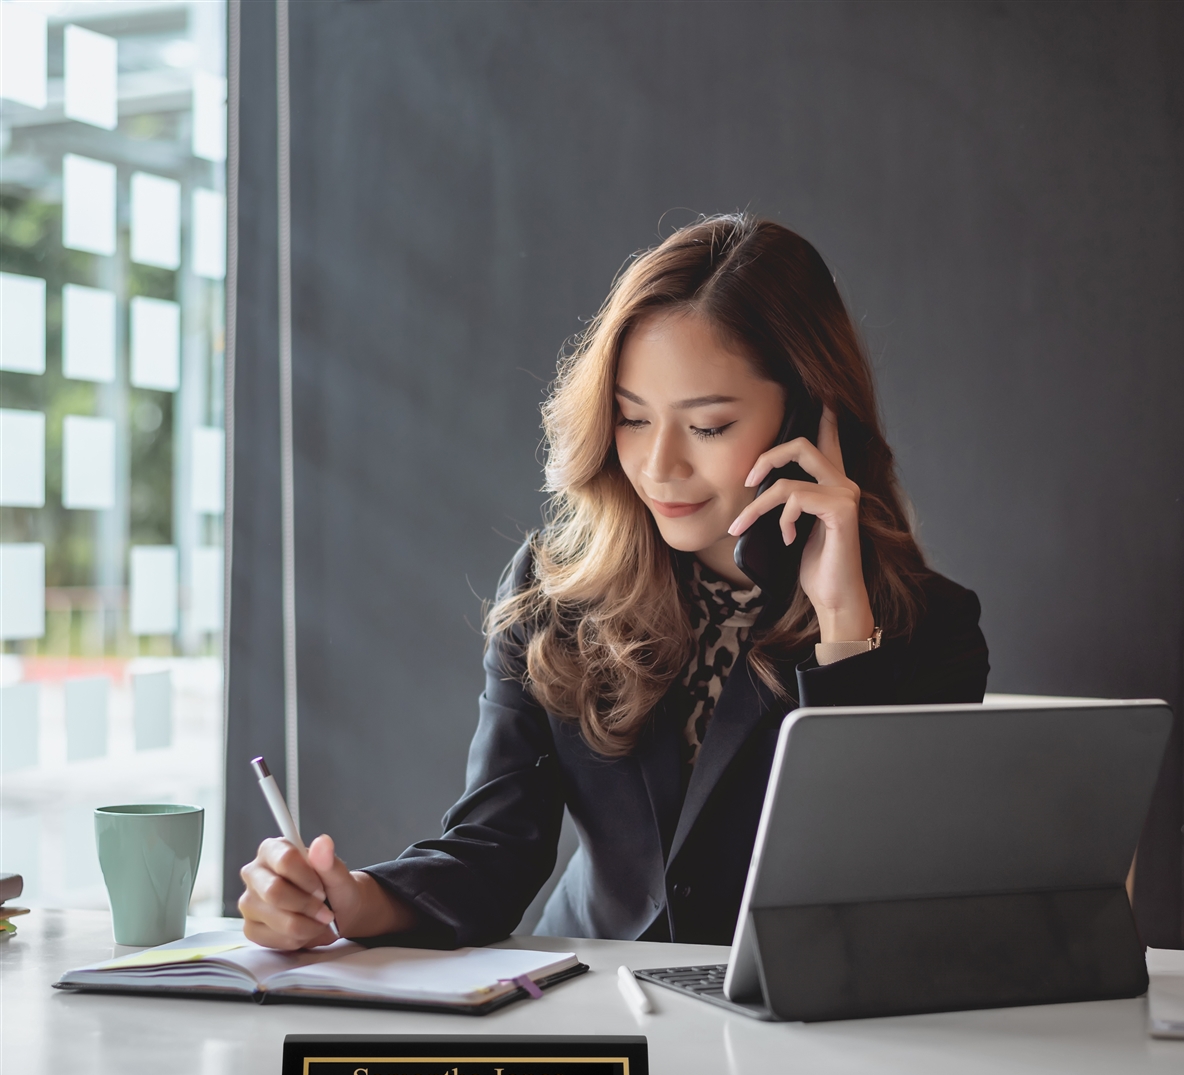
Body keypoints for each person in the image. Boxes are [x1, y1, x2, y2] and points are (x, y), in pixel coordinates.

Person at [239, 213, 989, 951]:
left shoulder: (933, 628)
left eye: (709, 426)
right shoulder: (553, 591)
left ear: (810, 418)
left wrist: (842, 629)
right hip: (591, 1007)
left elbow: (874, 894)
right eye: (632, 419)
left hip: (792, 1038)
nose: (659, 466)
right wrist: (352, 900)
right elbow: (494, 847)